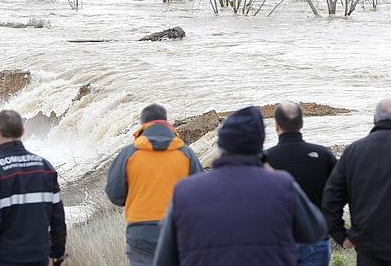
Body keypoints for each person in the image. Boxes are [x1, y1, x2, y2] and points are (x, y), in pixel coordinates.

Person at [153, 106, 327, 266]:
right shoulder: (282, 185)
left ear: (220, 145)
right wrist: (272, 171)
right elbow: (315, 231)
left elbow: (164, 261)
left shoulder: (184, 192)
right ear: (260, 146)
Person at [106, 104, 203, 266]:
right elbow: (201, 195)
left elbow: (115, 195)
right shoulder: (186, 154)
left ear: (143, 124)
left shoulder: (129, 154)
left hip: (140, 233)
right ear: (166, 123)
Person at [0, 110, 66, 266]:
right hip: (40, 256)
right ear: (23, 131)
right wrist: (56, 253)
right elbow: (58, 218)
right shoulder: (45, 167)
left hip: (4, 258)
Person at [323, 98, 391, 266]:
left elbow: (331, 198)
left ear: (374, 119)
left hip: (368, 246)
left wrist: (340, 235)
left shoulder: (354, 152)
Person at [266, 102, 337, 266]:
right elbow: (340, 192)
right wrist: (335, 226)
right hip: (316, 237)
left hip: (279, 239)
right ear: (302, 124)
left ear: (276, 126)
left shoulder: (266, 159)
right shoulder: (323, 154)